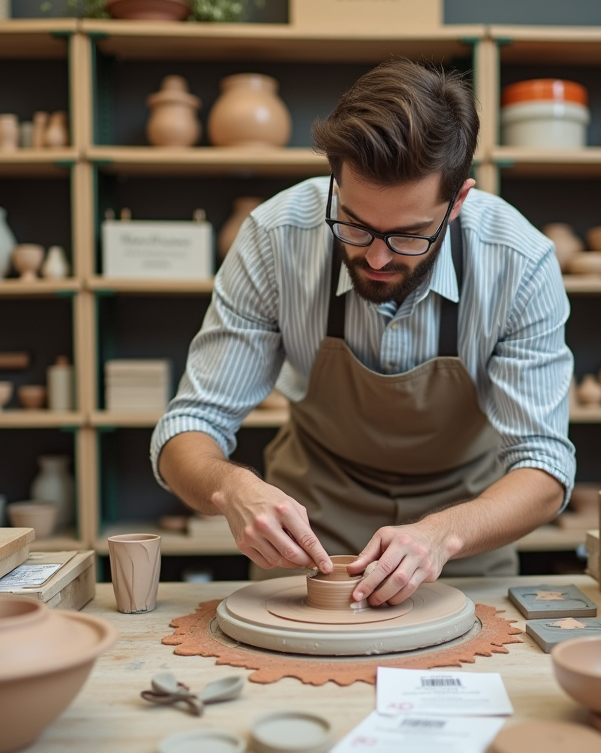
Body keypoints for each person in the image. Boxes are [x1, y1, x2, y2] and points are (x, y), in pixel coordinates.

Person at [152, 59, 575, 608]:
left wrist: (441, 536)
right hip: (310, 535)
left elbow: (545, 468)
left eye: (409, 235)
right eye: (354, 224)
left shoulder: (519, 262)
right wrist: (231, 488)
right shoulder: (274, 238)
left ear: (457, 202)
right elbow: (188, 428)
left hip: (462, 536)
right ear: (335, 181)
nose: (376, 258)